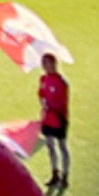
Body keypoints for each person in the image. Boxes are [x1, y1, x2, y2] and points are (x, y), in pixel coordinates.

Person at [39, 52, 71, 187]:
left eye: (47, 63)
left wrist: (49, 107)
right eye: (43, 64)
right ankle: (54, 174)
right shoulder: (43, 79)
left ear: (54, 64)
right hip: (47, 117)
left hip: (59, 118)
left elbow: (62, 103)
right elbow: (41, 93)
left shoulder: (61, 82)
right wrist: (43, 103)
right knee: (50, 146)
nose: (45, 66)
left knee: (62, 146)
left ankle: (65, 176)